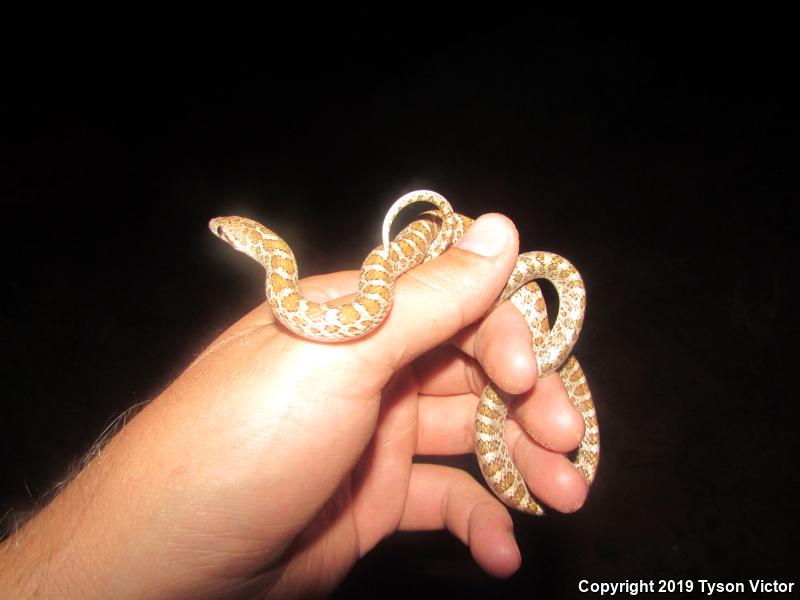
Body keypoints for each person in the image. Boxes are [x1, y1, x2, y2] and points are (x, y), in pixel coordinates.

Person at [0, 214, 589, 598]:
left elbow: (375, 296)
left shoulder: (299, 291)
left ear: (250, 244)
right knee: (516, 377)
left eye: (228, 235)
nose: (222, 236)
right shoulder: (287, 290)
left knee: (520, 364)